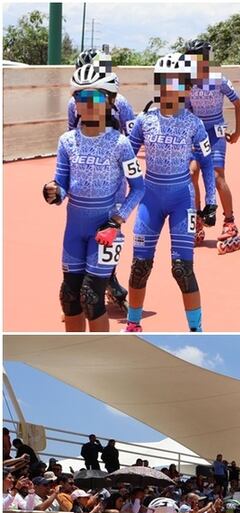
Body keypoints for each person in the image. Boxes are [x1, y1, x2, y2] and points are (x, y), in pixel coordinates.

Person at [44, 65, 144, 332]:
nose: (87, 105)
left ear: (110, 101)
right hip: (74, 230)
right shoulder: (66, 141)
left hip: (105, 230)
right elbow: (62, 186)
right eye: (80, 99)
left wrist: (116, 221)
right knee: (69, 297)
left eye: (95, 98)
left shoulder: (120, 143)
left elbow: (139, 188)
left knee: (92, 297)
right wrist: (53, 192)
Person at [126, 53, 215, 333]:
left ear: (188, 89)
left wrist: (211, 201)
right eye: (166, 82)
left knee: (182, 269)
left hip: (181, 201)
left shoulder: (193, 123)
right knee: (140, 266)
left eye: (178, 84)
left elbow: (207, 161)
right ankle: (133, 324)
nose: (170, 88)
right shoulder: (144, 120)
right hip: (150, 199)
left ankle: (197, 330)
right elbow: (125, 155)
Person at [183, 40, 240, 253]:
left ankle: (230, 222)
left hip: (216, 132)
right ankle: (198, 219)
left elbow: (238, 104)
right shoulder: (187, 83)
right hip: (198, 133)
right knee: (192, 173)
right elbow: (186, 110)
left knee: (218, 176)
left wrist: (237, 131)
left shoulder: (219, 80)